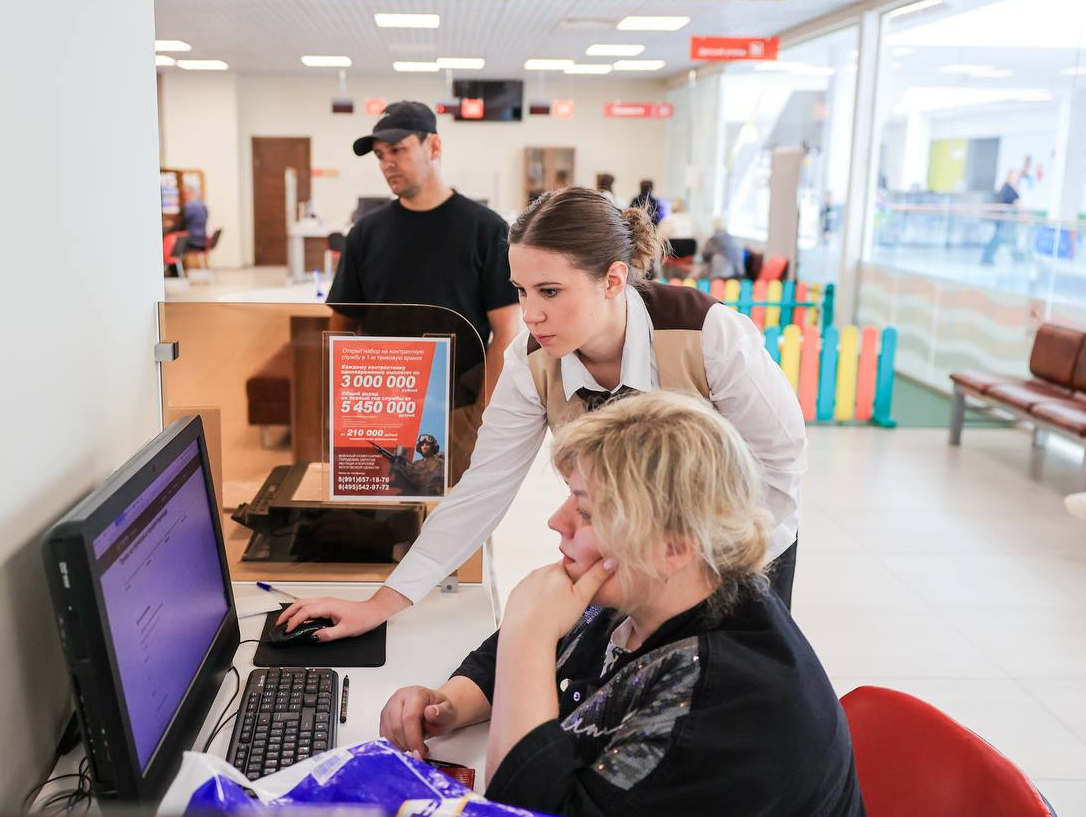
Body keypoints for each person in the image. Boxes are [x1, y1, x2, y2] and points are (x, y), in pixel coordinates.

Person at [281, 186, 805, 642]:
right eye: (521, 291)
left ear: (613, 280)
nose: (530, 314)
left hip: (738, 556)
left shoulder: (707, 334)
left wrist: (700, 573)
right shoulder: (531, 362)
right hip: (622, 556)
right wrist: (382, 603)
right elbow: (483, 489)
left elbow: (780, 468)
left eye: (550, 291)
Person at [379, 393, 863, 816]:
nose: (557, 521)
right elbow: (540, 652)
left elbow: (527, 810)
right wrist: (451, 703)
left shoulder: (724, 706)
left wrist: (529, 635)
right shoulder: (651, 588)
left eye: (587, 511)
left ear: (674, 546)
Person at [328, 101, 521, 405]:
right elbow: (342, 325)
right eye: (380, 155)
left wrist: (487, 413)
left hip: (459, 404)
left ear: (433, 146)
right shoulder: (365, 232)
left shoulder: (486, 229)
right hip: (381, 404)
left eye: (397, 150)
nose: (387, 163)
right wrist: (346, 402)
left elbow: (506, 331)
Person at [981, 169, 1021, 266]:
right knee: (998, 239)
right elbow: (1014, 203)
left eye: (1017, 177)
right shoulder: (1008, 189)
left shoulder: (1009, 188)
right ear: (1010, 176)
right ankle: (986, 258)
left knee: (1010, 240)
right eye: (1014, 176)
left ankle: (1016, 259)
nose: (1016, 178)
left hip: (1007, 220)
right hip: (1004, 220)